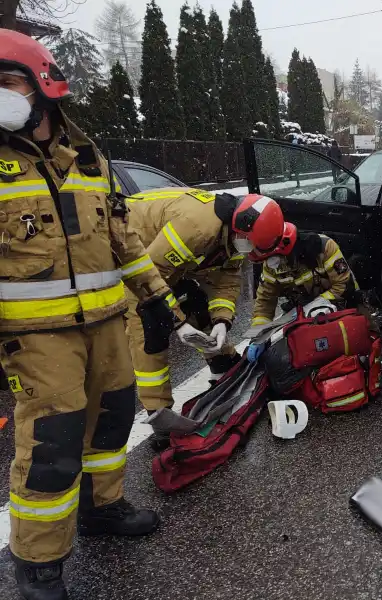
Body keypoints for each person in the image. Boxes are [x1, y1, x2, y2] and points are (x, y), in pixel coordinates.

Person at [0, 30, 208, 600]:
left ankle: (102, 507)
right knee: (51, 445)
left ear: (44, 88)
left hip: (108, 323)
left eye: (6, 82)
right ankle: (38, 566)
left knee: (112, 420)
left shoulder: (89, 158)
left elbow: (124, 243)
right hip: (38, 340)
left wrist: (161, 303)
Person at [124, 191, 284, 448]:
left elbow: (226, 279)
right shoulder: (198, 227)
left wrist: (222, 320)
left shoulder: (237, 234)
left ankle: (223, 365)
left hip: (162, 264)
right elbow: (148, 276)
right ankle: (159, 415)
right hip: (134, 260)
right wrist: (177, 322)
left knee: (198, 305)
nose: (250, 251)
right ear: (240, 228)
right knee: (149, 328)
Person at [245, 224, 360, 362]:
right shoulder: (270, 265)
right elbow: (265, 301)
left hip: (344, 306)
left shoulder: (324, 248)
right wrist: (259, 336)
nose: (271, 264)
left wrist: (315, 305)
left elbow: (344, 286)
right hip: (305, 317)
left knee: (359, 345)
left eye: (272, 259)